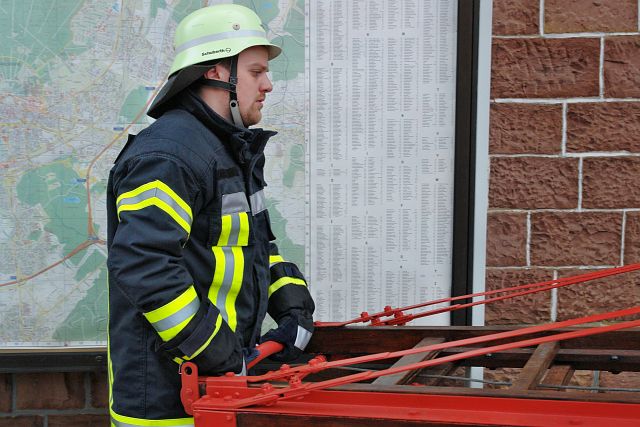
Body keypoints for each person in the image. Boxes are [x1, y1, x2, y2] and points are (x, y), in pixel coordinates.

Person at [106, 4, 315, 425]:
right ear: (217, 71)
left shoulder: (224, 149)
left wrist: (292, 307)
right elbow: (144, 264)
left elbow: (254, 245)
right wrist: (216, 352)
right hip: (169, 400)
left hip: (218, 384)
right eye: (256, 71)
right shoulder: (169, 156)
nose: (268, 84)